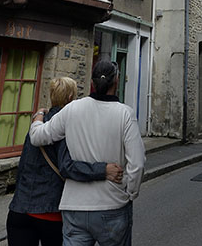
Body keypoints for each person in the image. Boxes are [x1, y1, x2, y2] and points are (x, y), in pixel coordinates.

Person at [29, 60, 145, 246]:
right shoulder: (125, 114)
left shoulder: (72, 109)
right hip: (111, 203)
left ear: (92, 83)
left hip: (75, 206)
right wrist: (130, 192)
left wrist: (37, 118)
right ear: (116, 81)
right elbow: (137, 163)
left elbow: (38, 137)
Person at [8, 76, 124, 246]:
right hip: (51, 212)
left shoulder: (37, 125)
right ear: (70, 98)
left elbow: (24, 165)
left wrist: (39, 113)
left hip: (20, 209)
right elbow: (67, 166)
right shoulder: (66, 127)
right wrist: (103, 170)